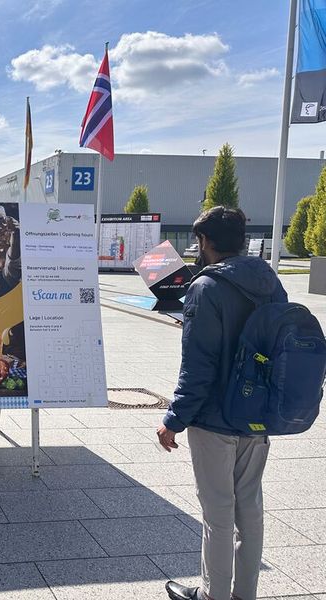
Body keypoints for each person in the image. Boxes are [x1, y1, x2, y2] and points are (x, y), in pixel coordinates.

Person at [157, 207, 288, 600]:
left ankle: (213, 596)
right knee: (250, 509)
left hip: (215, 418)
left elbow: (199, 365)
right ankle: (243, 594)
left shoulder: (206, 288)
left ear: (205, 242)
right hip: (258, 416)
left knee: (217, 514)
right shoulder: (269, 281)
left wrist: (174, 420)